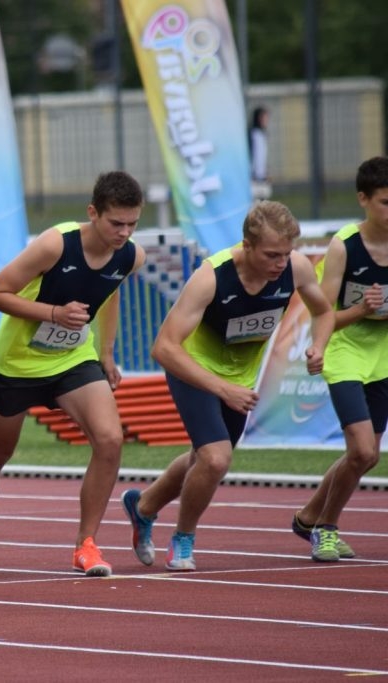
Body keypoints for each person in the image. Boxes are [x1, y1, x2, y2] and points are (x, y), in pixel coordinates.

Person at [120, 200, 335, 572]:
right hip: (193, 367)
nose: (280, 263)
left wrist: (319, 345)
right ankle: (183, 539)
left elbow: (324, 310)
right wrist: (222, 388)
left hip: (240, 380)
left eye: (286, 253)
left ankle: (143, 507)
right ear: (247, 246)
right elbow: (164, 347)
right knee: (216, 458)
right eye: (271, 254)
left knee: (200, 460)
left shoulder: (296, 268)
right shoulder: (211, 278)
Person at [0, 171, 146, 578]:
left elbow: (109, 293)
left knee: (110, 439)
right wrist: (54, 313)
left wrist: (107, 353)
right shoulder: (56, 244)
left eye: (132, 224)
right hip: (17, 364)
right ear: (93, 213)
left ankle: (87, 544)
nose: (124, 233)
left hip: (72, 361)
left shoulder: (131, 254)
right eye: (116, 223)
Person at [291, 156, 388, 563]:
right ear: (363, 199)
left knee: (361, 454)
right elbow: (324, 312)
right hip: (346, 350)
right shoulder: (344, 245)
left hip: (382, 356)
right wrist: (358, 314)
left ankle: (309, 517)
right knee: (365, 452)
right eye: (385, 201)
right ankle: (325, 529)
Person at [249, 106, 271, 199]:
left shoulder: (262, 135)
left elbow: (262, 157)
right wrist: (252, 173)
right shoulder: (253, 134)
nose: (266, 120)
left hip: (261, 176)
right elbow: (253, 156)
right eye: (264, 117)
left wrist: (265, 172)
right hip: (253, 177)